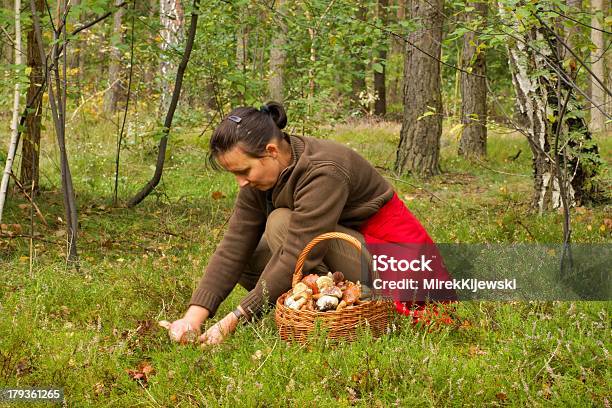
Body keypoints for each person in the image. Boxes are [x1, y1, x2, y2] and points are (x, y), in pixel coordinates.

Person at [164, 102, 452, 345]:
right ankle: (314, 303)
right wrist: (194, 318)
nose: (241, 182)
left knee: (280, 224)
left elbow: (298, 252)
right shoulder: (260, 179)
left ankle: (339, 311)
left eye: (244, 170)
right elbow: (233, 246)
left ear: (271, 151)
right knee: (250, 256)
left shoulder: (324, 170)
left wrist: (234, 319)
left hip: (399, 265)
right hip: (354, 250)